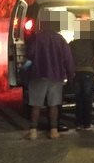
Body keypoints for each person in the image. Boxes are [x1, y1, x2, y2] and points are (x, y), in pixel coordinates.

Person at [24, 10, 75, 140]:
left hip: (38, 75)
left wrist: (24, 72)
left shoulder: (36, 38)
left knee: (36, 105)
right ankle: (53, 131)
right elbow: (68, 59)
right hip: (56, 77)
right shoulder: (60, 39)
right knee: (53, 105)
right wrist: (70, 75)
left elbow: (29, 55)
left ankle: (33, 132)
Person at [69, 35, 94, 130]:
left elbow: (68, 58)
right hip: (88, 71)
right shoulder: (91, 42)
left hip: (76, 72)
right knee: (87, 98)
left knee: (78, 99)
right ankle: (87, 123)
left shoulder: (72, 43)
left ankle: (78, 123)